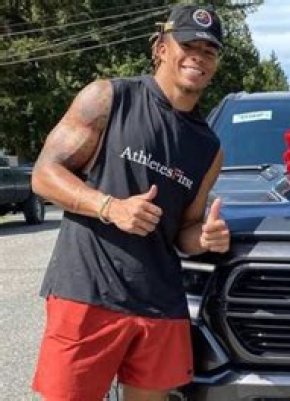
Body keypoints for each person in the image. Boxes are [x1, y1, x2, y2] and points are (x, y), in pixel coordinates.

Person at [31, 5, 229, 401]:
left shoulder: (209, 147)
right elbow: (44, 175)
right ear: (161, 48)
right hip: (87, 290)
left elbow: (184, 231)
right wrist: (110, 207)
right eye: (188, 45)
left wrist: (206, 237)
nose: (198, 56)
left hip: (160, 302)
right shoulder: (109, 97)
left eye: (209, 50)